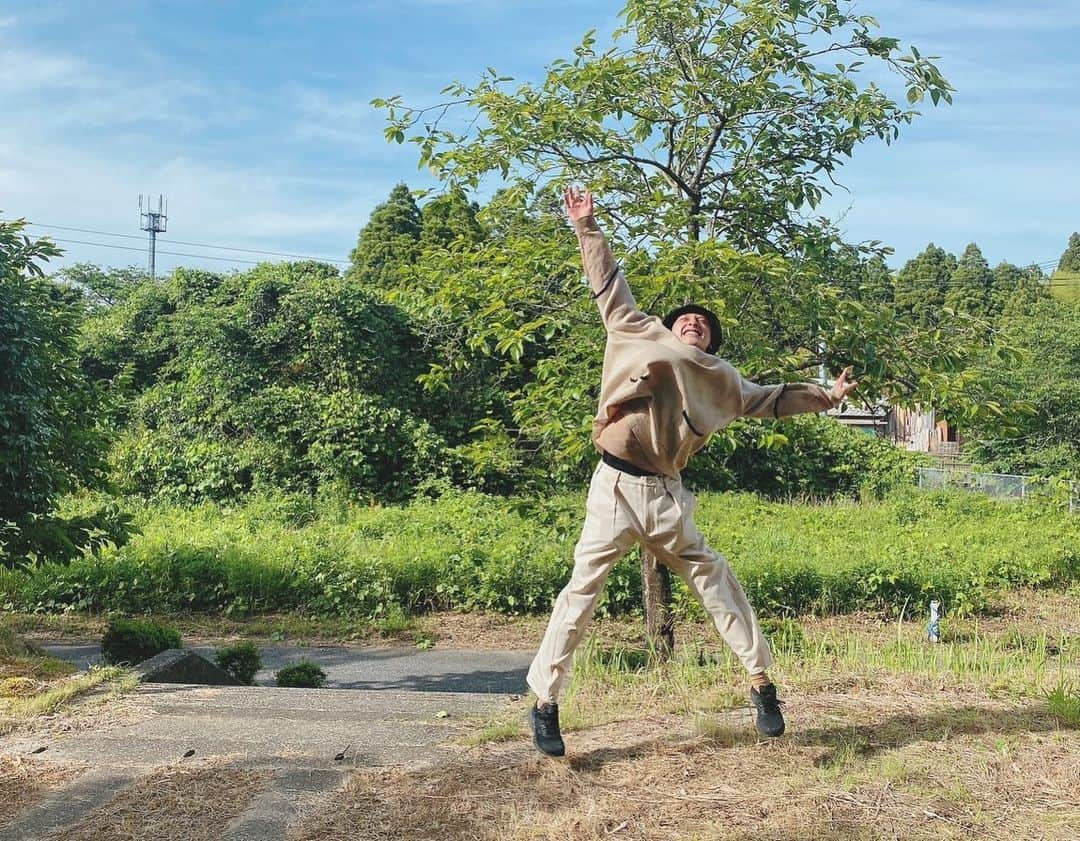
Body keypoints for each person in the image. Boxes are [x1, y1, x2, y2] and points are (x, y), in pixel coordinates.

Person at [527, 187, 858, 757]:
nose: (695, 325)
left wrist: (827, 396)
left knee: (715, 578)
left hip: (666, 495)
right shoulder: (635, 329)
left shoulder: (722, 380)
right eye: (688, 320)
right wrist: (587, 227)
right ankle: (544, 703)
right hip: (613, 485)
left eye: (704, 324)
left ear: (711, 341)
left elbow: (774, 398)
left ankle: (761, 685)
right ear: (671, 324)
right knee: (581, 590)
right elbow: (607, 283)